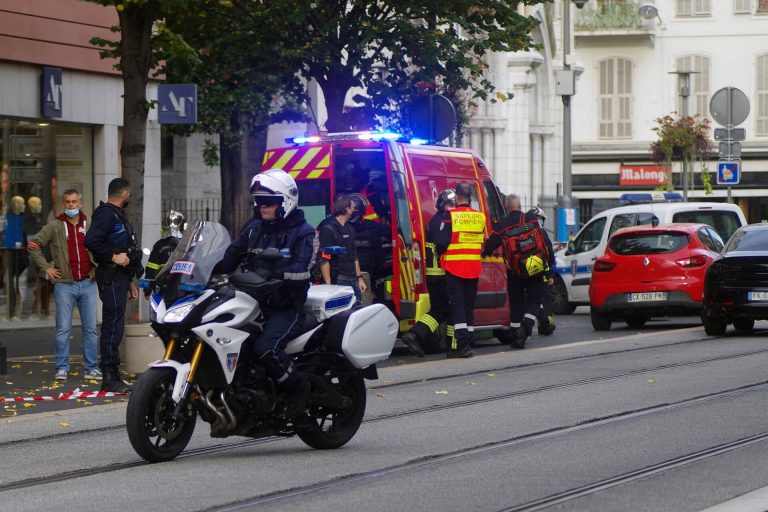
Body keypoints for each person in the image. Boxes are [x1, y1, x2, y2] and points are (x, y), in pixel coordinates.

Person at [211, 168, 315, 420]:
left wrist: (280, 277)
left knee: (266, 349)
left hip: (285, 305)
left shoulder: (304, 232)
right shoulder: (254, 228)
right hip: (251, 300)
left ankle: (300, 390)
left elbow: (305, 267)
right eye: (259, 201)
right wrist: (200, 274)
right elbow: (229, 256)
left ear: (285, 202)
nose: (263, 206)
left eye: (269, 201)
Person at [27, 189, 100, 381]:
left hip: (88, 283)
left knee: (91, 329)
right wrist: (47, 269)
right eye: (67, 202)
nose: (71, 205)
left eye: (74, 202)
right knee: (63, 329)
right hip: (64, 285)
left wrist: (97, 269)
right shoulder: (55, 226)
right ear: (64, 204)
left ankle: (91, 367)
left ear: (80, 203)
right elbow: (33, 245)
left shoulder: (90, 224)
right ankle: (61, 368)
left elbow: (102, 248)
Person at [84, 178, 141, 392]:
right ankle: (109, 376)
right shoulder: (106, 214)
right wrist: (113, 257)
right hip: (111, 277)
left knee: (116, 326)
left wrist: (130, 282)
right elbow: (91, 241)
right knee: (112, 327)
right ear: (125, 194)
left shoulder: (118, 215)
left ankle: (114, 373)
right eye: (130, 194)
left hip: (120, 278)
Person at [483, 197, 555, 348]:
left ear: (506, 207)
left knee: (516, 303)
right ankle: (526, 327)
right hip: (534, 268)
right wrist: (550, 270)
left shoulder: (503, 224)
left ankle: (517, 337)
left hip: (514, 271)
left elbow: (490, 245)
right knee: (535, 300)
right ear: (520, 206)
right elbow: (545, 243)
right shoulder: (530, 219)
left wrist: (483, 254)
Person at [399, 189, 456, 357]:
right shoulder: (443, 221)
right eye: (452, 204)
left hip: (434, 274)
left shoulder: (434, 221)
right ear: (446, 204)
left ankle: (414, 334)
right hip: (442, 273)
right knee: (452, 309)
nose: (454, 208)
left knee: (439, 310)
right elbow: (441, 243)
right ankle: (454, 346)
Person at [433, 183, 486, 358]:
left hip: (454, 268)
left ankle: (462, 344)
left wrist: (439, 252)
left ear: (456, 197)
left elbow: (441, 242)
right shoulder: (480, 217)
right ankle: (470, 340)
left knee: (458, 306)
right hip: (473, 267)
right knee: (469, 306)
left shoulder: (450, 215)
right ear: (470, 197)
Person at [317, 195, 368, 305]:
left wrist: (359, 278)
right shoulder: (328, 229)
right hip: (338, 280)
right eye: (353, 207)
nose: (354, 210)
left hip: (353, 279)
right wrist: (328, 284)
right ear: (347, 209)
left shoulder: (350, 228)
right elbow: (324, 258)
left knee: (357, 309)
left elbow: (354, 254)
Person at [348, 194, 391, 304]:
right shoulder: (372, 226)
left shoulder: (341, 227)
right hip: (368, 272)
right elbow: (391, 233)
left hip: (347, 271)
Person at [143, 210, 185, 298]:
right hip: (178, 289)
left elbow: (151, 270)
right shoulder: (187, 244)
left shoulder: (159, 245)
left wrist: (147, 291)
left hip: (167, 289)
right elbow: (151, 269)